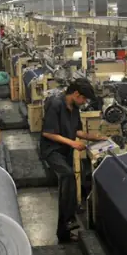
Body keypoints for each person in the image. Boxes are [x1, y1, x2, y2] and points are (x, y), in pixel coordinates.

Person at [40, 79, 106, 243]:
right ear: (76, 94)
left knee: (68, 182)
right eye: (83, 99)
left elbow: (77, 131)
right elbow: (48, 133)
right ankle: (69, 218)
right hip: (52, 150)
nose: (84, 103)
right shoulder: (55, 104)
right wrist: (73, 143)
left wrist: (96, 138)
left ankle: (64, 233)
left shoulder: (74, 108)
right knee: (68, 175)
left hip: (65, 151)